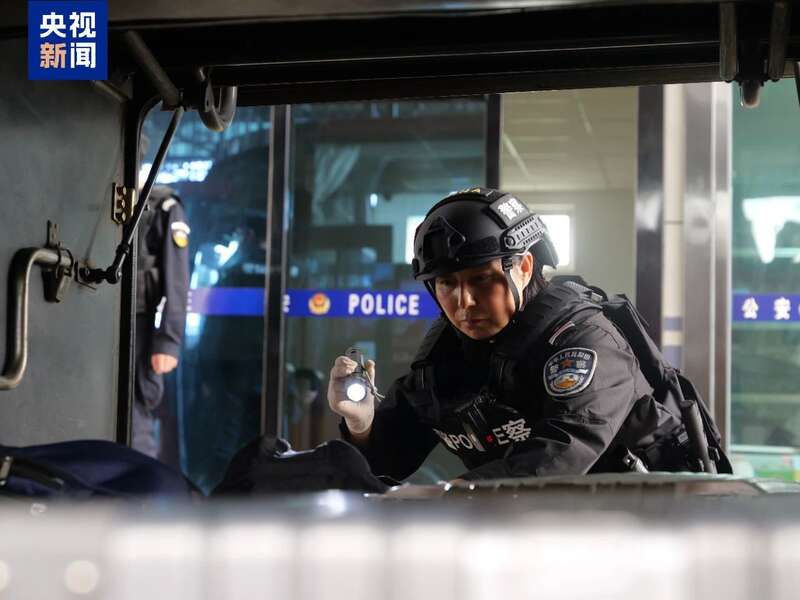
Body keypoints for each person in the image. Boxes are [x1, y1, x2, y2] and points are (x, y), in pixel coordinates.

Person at [328, 187, 727, 482]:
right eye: (447, 283)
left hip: (645, 531)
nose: (464, 302)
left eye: (481, 279)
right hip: (534, 535)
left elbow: (559, 456)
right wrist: (361, 424)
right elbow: (387, 463)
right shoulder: (448, 356)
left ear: (523, 267)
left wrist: (449, 497)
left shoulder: (585, 341)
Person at [133, 184, 191, 459]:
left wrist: (168, 340)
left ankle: (140, 483)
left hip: (138, 323)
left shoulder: (164, 205)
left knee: (135, 414)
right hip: (99, 317)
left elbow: (177, 280)